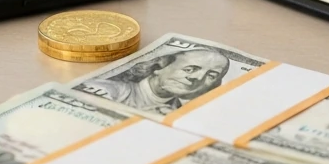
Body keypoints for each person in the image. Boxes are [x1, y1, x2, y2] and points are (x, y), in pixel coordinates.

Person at [80, 47, 230, 114]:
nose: (197, 78)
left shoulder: (180, 113)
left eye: (211, 75)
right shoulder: (107, 90)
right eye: (189, 69)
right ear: (159, 66)